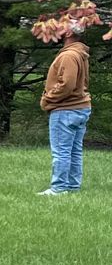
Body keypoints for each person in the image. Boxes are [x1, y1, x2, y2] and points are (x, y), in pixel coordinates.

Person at [39, 23, 92, 195]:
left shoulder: (69, 55)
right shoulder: (80, 54)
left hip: (66, 109)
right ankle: (72, 186)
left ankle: (59, 188)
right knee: (74, 151)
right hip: (80, 107)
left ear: (68, 33)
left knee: (61, 151)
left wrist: (47, 99)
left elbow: (67, 84)